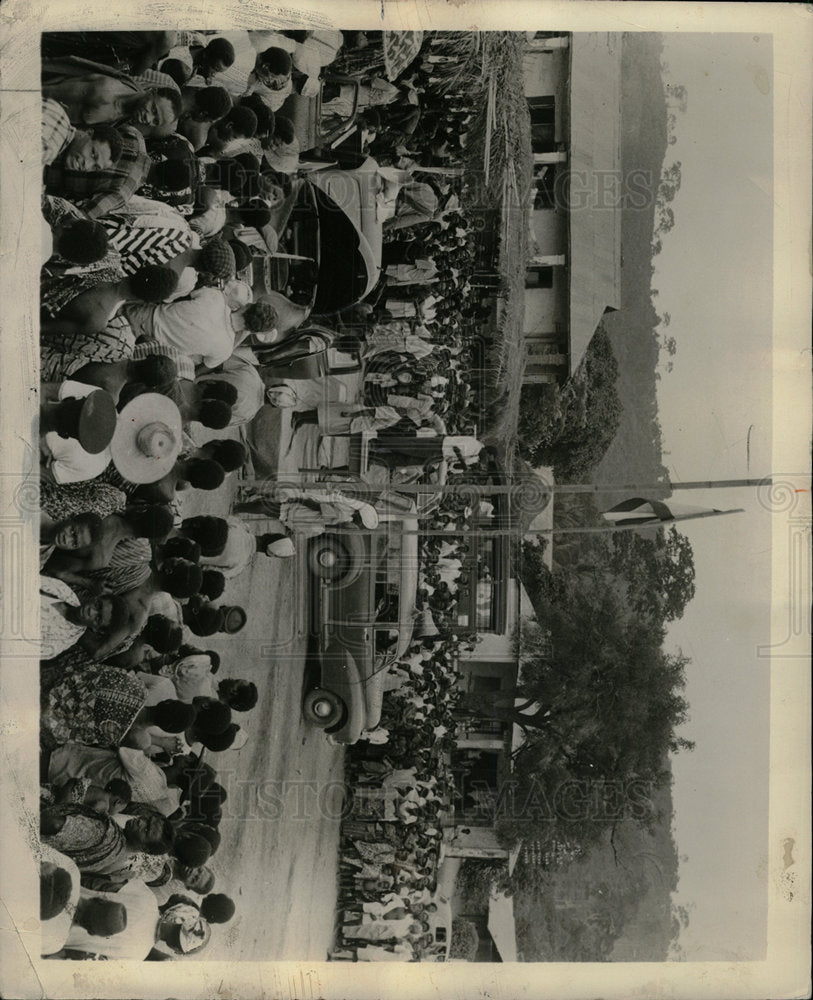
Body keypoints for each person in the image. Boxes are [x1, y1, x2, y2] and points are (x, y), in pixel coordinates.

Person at [124, 291, 276, 371]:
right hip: (146, 351)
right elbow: (203, 366)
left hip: (140, 316)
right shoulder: (225, 349)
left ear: (247, 305)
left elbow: (181, 296)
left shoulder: (216, 297)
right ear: (252, 332)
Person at [44, 119, 151, 221]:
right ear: (88, 132)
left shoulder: (134, 134)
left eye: (95, 167)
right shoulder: (122, 193)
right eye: (93, 154)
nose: (86, 166)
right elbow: (82, 216)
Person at [39, 576, 130, 660]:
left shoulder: (56, 642)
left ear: (96, 629)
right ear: (98, 597)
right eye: (97, 605)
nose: (91, 611)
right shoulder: (65, 591)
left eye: (98, 618)